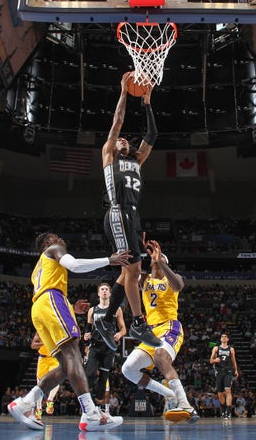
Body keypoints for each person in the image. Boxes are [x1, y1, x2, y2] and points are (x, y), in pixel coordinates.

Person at [8, 232, 128, 432]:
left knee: (65, 366)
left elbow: (46, 289)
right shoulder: (53, 249)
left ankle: (25, 403)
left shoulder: (39, 266)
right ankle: (90, 413)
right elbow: (74, 265)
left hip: (39, 308)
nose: (61, 239)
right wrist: (109, 260)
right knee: (74, 355)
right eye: (56, 237)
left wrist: (71, 308)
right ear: (47, 243)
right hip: (52, 299)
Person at [94, 72, 162, 351]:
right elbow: (117, 121)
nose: (121, 140)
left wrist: (147, 103)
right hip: (118, 211)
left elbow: (152, 135)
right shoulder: (109, 154)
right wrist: (124, 91)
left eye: (125, 140)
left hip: (133, 216)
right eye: (119, 139)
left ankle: (107, 320)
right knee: (133, 270)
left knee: (127, 273)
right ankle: (138, 321)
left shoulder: (137, 159)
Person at [120, 239, 200, 424]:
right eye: (153, 259)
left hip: (170, 327)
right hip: (151, 333)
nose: (154, 260)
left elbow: (179, 285)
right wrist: (136, 247)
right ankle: (170, 394)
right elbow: (128, 273)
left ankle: (185, 404)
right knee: (128, 369)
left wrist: (161, 260)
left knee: (160, 357)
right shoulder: (145, 279)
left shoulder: (173, 279)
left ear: (165, 263)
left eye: (160, 258)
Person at [84, 282, 126, 406]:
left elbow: (123, 328)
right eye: (101, 289)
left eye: (106, 289)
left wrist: (120, 334)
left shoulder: (117, 309)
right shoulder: (92, 310)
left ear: (110, 293)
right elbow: (88, 328)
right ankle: (87, 399)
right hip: (95, 346)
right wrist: (86, 335)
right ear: (98, 293)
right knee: (90, 374)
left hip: (109, 348)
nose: (104, 291)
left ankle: (98, 405)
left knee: (103, 378)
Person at [31, 333, 61, 420]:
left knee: (56, 378)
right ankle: (39, 408)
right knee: (40, 385)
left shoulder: (57, 330)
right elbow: (33, 346)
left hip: (54, 358)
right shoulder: (40, 332)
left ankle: (50, 400)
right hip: (43, 359)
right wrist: (44, 343)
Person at [209, 333, 239, 419]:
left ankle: (228, 412)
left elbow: (233, 360)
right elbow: (210, 361)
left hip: (228, 371)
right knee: (220, 393)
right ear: (220, 339)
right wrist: (215, 360)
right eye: (222, 337)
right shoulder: (216, 348)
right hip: (219, 371)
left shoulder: (231, 349)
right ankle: (223, 410)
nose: (224, 338)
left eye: (225, 337)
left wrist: (236, 370)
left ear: (228, 339)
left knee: (228, 390)